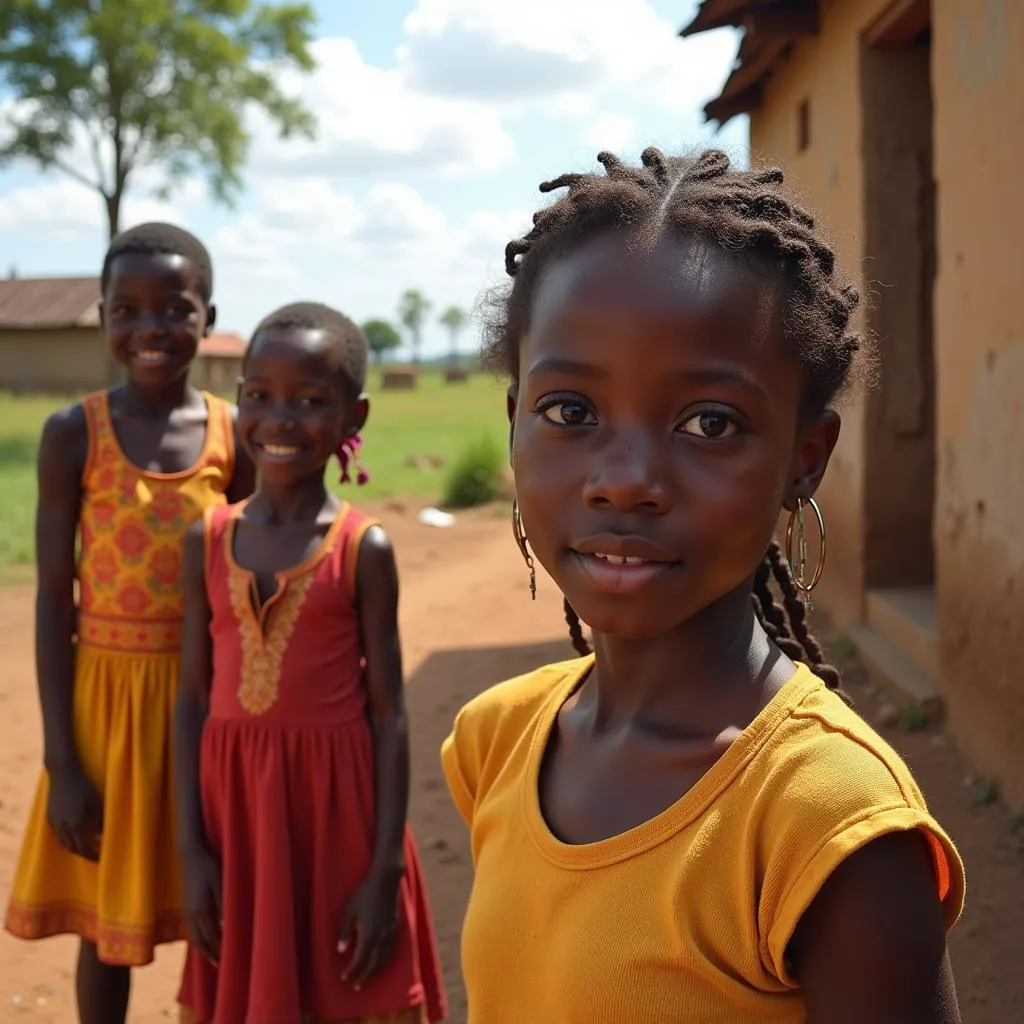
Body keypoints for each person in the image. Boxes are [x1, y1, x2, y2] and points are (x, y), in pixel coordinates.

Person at [440, 148, 966, 1023]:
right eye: (569, 410)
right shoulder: (499, 740)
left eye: (708, 422)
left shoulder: (824, 826)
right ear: (515, 422)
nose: (625, 480)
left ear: (806, 458)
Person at [4, 222, 256, 1024]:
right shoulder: (72, 434)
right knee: (107, 928)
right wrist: (62, 762)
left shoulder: (233, 434)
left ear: (206, 314)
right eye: (128, 309)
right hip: (102, 710)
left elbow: (256, 576)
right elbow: (53, 600)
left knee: (218, 907)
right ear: (104, 315)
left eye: (174, 309)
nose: (151, 329)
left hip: (206, 705)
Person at [175, 302, 447, 1024]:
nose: (280, 419)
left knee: (349, 992)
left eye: (309, 400)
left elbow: (389, 712)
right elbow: (192, 702)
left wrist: (384, 866)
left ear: (351, 417)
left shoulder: (363, 549)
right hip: (238, 818)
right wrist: (191, 852)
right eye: (258, 395)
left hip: (341, 822)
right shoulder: (206, 540)